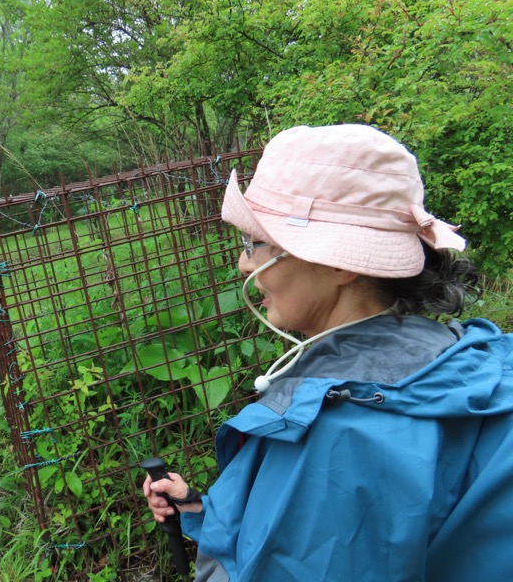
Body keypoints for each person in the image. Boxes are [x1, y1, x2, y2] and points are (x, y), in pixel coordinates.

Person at [142, 124, 513, 581]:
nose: (244, 263)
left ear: (338, 262)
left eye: (256, 243)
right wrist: (203, 509)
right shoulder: (462, 356)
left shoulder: (337, 431)